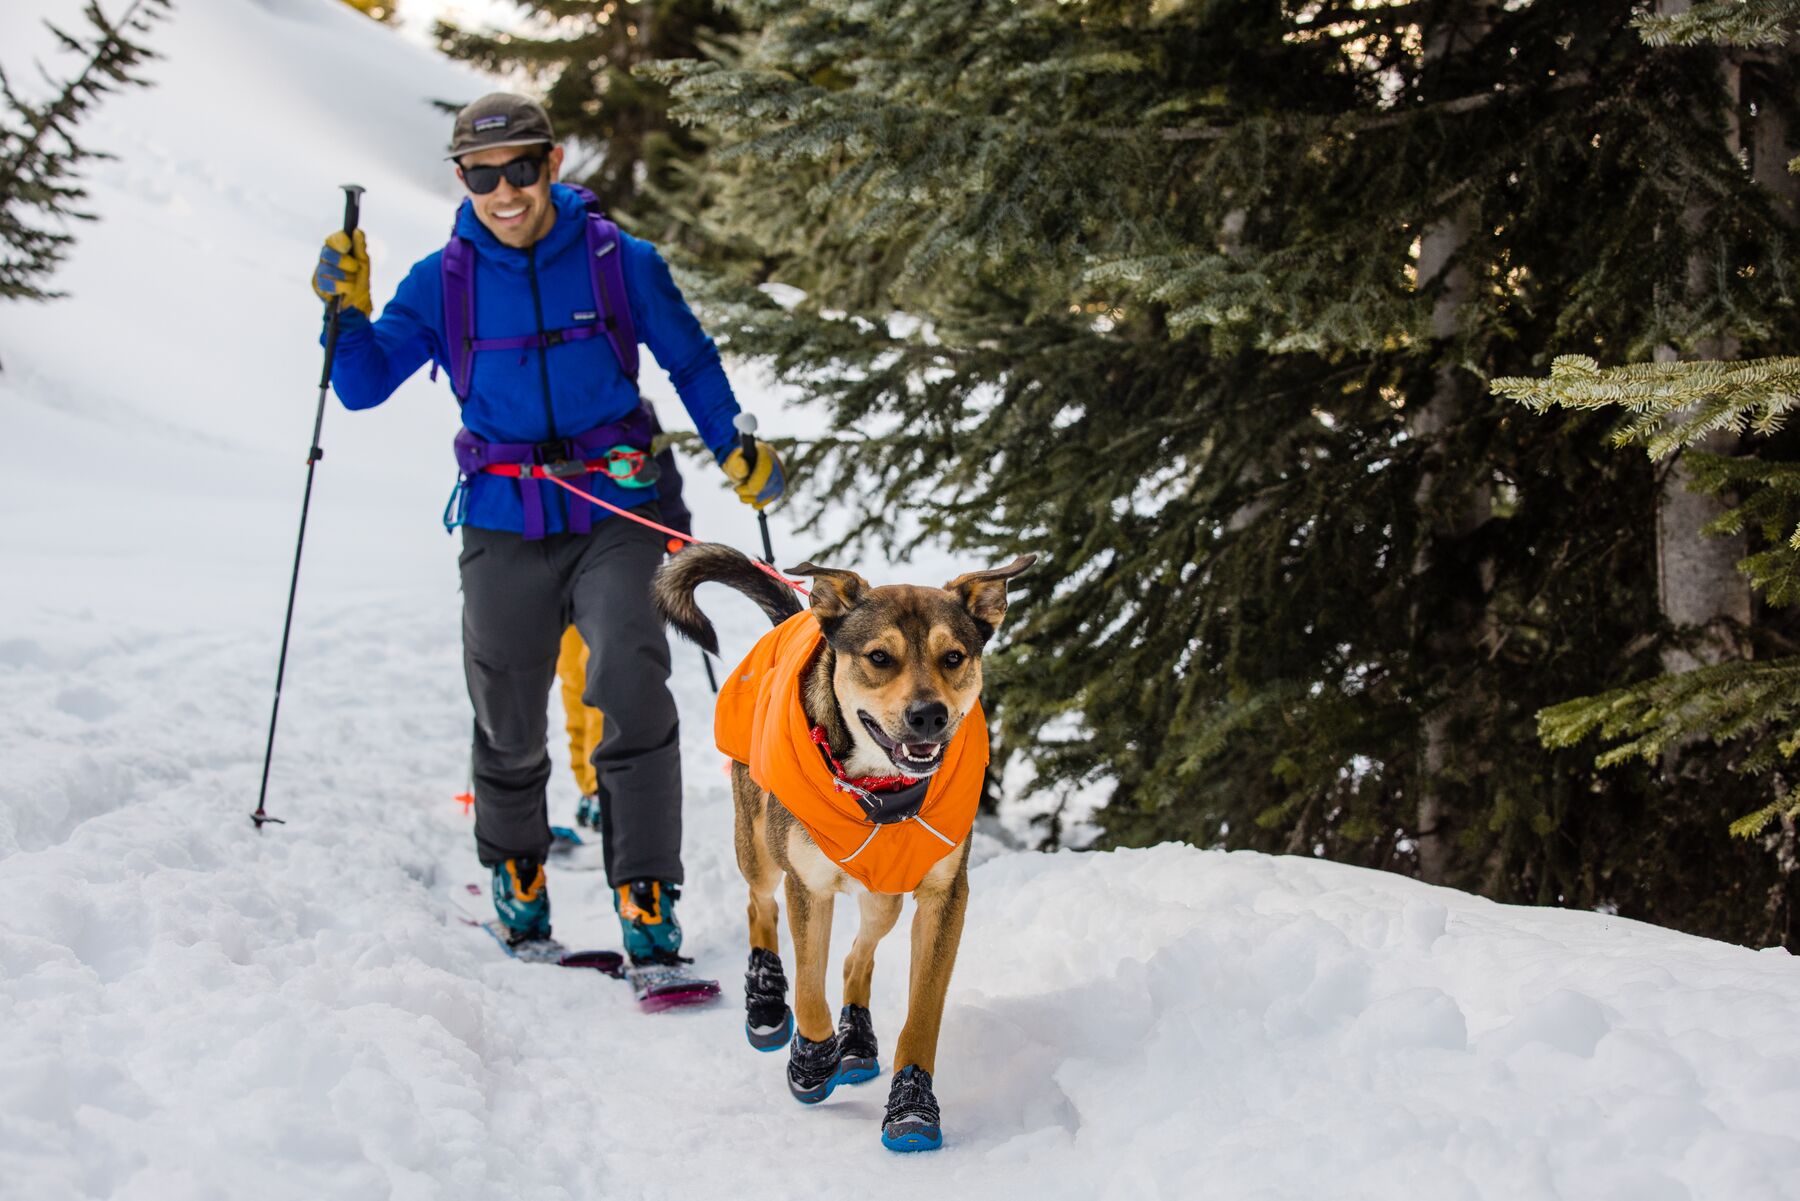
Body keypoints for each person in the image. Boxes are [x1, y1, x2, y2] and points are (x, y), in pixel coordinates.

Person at [309, 92, 784, 965]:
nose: (505, 190)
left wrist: (734, 445)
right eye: (483, 174)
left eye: (521, 168)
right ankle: (517, 872)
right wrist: (343, 314)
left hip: (620, 505)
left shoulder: (618, 261)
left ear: (553, 164)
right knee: (507, 704)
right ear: (462, 179)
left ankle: (646, 891)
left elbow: (689, 358)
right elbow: (365, 384)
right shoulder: (443, 280)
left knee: (629, 674)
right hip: (504, 515)